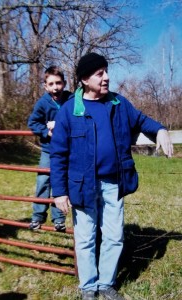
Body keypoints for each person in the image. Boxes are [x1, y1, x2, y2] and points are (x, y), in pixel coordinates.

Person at [50, 53, 173, 300]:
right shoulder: (68, 111)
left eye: (106, 71)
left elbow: (142, 120)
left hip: (113, 183)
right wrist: (60, 191)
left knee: (114, 236)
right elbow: (58, 154)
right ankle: (88, 287)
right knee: (85, 239)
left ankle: (106, 284)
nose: (106, 77)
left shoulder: (118, 103)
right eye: (100, 73)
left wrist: (160, 130)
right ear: (85, 78)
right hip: (83, 186)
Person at [28, 66, 71, 231]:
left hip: (67, 150)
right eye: (51, 84)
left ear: (64, 84)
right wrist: (46, 131)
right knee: (43, 182)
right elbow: (33, 123)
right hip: (48, 150)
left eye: (58, 83)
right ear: (45, 86)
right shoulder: (43, 103)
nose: (55, 87)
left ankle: (59, 219)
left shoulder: (71, 99)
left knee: (61, 183)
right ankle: (37, 217)